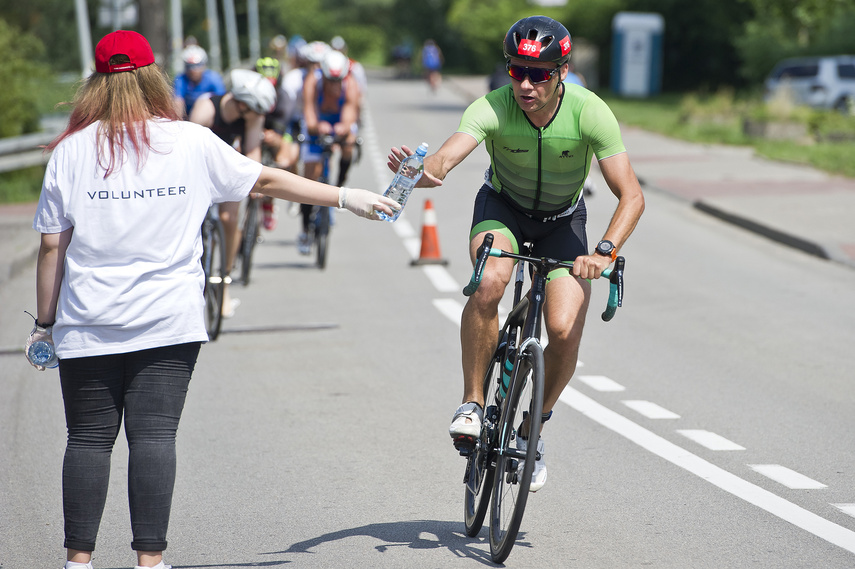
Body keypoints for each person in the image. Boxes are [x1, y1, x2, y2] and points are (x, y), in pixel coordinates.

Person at [26, 30, 396, 569]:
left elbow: (50, 247)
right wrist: (346, 196)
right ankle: (149, 563)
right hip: (169, 321)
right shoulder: (191, 142)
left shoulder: (71, 153)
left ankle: (77, 563)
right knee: (154, 438)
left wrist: (44, 325)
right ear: (155, 78)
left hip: (87, 323)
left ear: (96, 85)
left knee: (86, 441)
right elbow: (265, 180)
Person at [388, 16, 644, 492]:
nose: (526, 84)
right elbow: (447, 157)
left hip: (562, 222)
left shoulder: (590, 112)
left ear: (562, 71)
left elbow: (631, 195)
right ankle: (472, 402)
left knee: (565, 329)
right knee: (489, 282)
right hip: (502, 209)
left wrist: (604, 252)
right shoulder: (492, 106)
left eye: (539, 73)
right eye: (516, 71)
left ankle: (532, 429)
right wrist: (424, 171)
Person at [188, 68, 275, 316]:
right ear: (240, 103)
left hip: (226, 169)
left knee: (229, 219)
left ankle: (224, 282)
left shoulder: (252, 116)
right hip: (199, 169)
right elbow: (187, 148)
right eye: (255, 110)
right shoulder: (207, 108)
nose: (257, 116)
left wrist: (256, 182)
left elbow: (252, 150)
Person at [298, 48, 360, 254]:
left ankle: (341, 182)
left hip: (338, 120)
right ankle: (305, 227)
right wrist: (317, 126)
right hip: (319, 121)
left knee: (350, 142)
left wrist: (343, 127)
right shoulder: (312, 82)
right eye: (330, 81)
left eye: (337, 81)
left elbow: (350, 114)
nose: (334, 85)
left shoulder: (350, 84)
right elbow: (309, 113)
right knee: (309, 176)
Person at [172, 45, 226, 118]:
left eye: (198, 65)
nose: (193, 70)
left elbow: (222, 102)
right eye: (189, 66)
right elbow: (178, 102)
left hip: (212, 117)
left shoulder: (214, 78)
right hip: (188, 118)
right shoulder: (181, 79)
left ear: (204, 65)